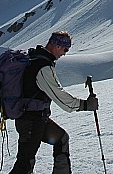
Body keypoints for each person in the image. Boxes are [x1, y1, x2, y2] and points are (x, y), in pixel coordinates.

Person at [9, 31, 99, 174]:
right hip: (30, 121)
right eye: (65, 49)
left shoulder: (35, 57)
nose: (64, 53)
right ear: (57, 46)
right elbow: (60, 96)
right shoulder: (42, 67)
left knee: (61, 139)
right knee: (25, 164)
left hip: (35, 119)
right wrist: (85, 105)